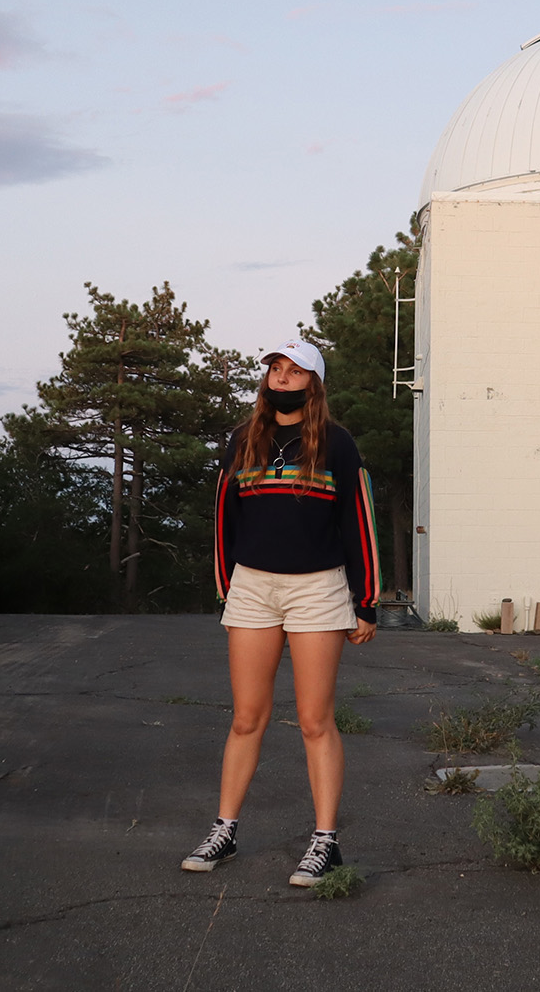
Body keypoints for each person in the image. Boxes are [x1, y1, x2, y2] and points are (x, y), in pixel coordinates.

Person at [184, 338, 381, 887]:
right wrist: (227, 584)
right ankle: (224, 831)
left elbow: (358, 522)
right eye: (276, 368)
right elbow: (224, 515)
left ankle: (325, 842)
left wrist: (366, 602)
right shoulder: (243, 439)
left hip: (318, 590)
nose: (283, 376)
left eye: (295, 370)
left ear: (314, 382)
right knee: (247, 717)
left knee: (315, 720)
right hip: (252, 588)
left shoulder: (337, 444)